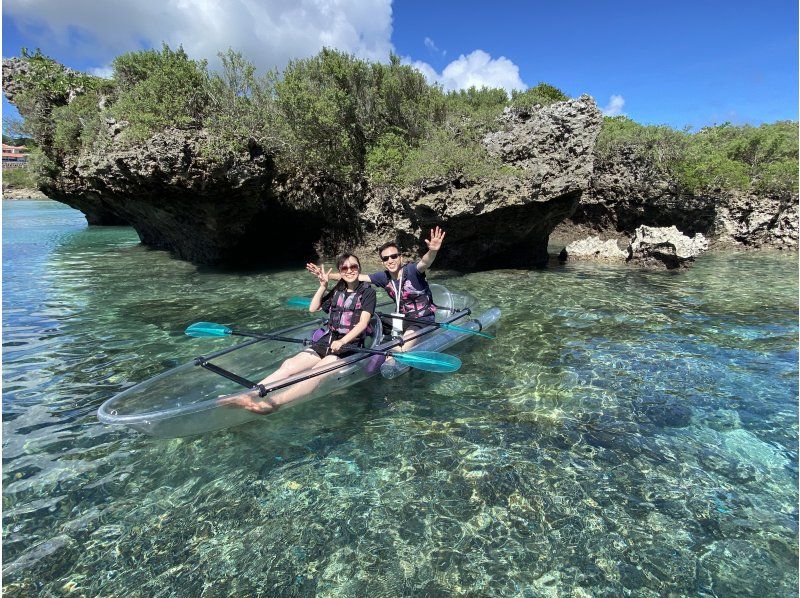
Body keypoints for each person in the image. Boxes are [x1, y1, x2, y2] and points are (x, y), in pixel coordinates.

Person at [222, 252, 376, 414]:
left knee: (314, 373)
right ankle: (248, 394)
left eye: (354, 267)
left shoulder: (367, 293)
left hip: (349, 346)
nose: (349, 270)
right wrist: (323, 286)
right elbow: (313, 308)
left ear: (359, 269)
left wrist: (343, 341)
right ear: (340, 270)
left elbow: (363, 323)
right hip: (328, 339)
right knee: (289, 364)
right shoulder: (339, 288)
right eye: (344, 267)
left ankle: (273, 403)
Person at [307, 226, 445, 351]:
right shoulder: (383, 277)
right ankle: (353, 341)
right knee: (373, 318)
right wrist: (327, 276)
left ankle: (389, 352)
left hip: (422, 319)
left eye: (394, 256)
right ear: (383, 262)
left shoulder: (413, 271)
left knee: (403, 346)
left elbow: (425, 262)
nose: (390, 260)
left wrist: (432, 251)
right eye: (386, 258)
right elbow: (354, 276)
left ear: (400, 257)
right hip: (402, 319)